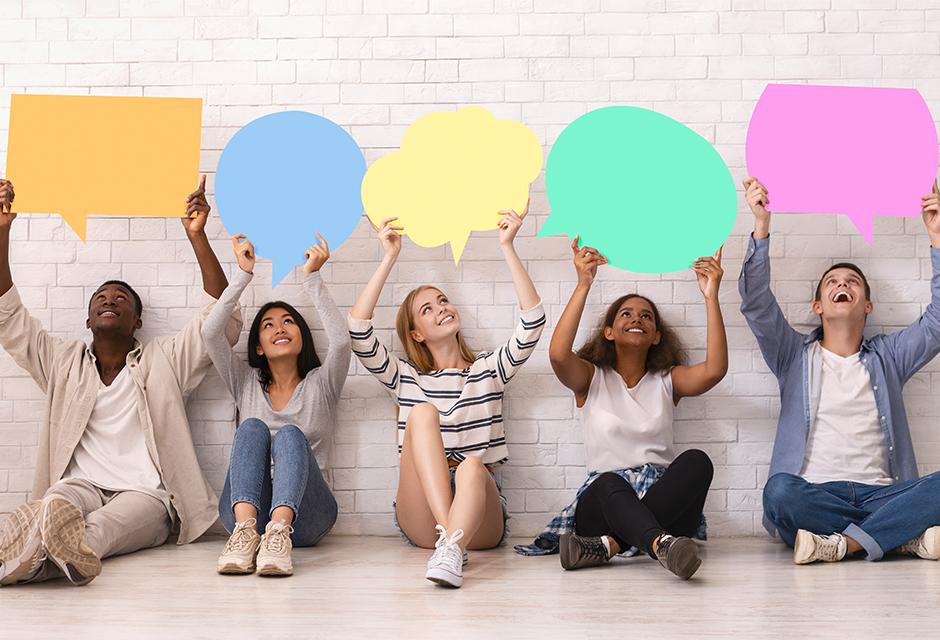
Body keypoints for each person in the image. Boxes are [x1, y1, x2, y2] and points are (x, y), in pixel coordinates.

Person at [0, 176, 241, 586]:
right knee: (54, 502)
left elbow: (221, 323)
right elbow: (8, 316)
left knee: (103, 529)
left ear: (137, 321)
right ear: (88, 320)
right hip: (79, 485)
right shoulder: (62, 362)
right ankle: (47, 548)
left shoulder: (164, 360)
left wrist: (198, 236)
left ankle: (28, 557)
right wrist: (1, 232)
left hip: (144, 494)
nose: (109, 300)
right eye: (100, 299)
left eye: (121, 299)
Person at [741, 175, 940, 564]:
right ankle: (896, 535)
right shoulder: (793, 355)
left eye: (852, 282)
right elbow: (757, 305)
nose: (841, 284)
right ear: (818, 306)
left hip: (883, 491)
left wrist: (937, 238)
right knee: (779, 493)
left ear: (867, 306)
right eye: (832, 282)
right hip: (814, 492)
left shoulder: (889, 356)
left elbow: (937, 323)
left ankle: (839, 544)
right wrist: (761, 227)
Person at [348, 207, 544, 588]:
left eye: (442, 301)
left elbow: (532, 323)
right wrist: (389, 256)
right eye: (428, 309)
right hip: (421, 512)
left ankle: (453, 543)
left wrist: (507, 246)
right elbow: (358, 331)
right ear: (416, 333)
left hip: (480, 515)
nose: (441, 309)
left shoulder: (488, 370)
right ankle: (448, 539)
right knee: (420, 414)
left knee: (473, 466)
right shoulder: (405, 377)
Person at [516, 238, 726, 580]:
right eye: (625, 314)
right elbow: (557, 355)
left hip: (667, 504)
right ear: (609, 331)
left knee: (697, 462)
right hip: (605, 504)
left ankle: (610, 546)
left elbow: (715, 370)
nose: (637, 319)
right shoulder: (591, 377)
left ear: (656, 335)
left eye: (646, 316)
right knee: (610, 482)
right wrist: (583, 284)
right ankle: (659, 544)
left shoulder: (666, 380)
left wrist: (711, 296)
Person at [203, 232, 349, 577]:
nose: (279, 328)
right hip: (246, 516)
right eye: (268, 325)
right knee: (252, 427)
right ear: (258, 347)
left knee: (289, 435)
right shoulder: (245, 382)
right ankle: (244, 538)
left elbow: (342, 344)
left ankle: (279, 533)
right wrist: (242, 275)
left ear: (302, 336)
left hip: (308, 517)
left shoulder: (322, 384)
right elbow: (210, 333)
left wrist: (312, 278)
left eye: (288, 322)